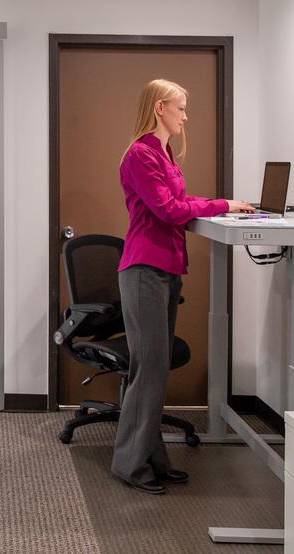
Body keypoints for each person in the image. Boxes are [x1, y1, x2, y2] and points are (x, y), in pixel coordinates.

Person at [112, 78, 254, 495]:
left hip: (165, 269)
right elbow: (170, 209)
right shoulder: (141, 154)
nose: (185, 116)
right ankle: (130, 465)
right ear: (160, 108)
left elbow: (179, 204)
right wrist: (223, 204)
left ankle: (153, 459)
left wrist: (218, 204)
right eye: (180, 108)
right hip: (143, 270)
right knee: (150, 371)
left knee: (153, 371)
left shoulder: (164, 153)